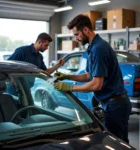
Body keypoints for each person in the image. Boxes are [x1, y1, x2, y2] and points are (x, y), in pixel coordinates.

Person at [54, 14, 132, 143]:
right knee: (120, 142)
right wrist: (67, 76)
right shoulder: (92, 48)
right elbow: (88, 76)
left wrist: (70, 88)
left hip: (115, 105)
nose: (76, 38)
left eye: (77, 34)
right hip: (113, 103)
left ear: (86, 30)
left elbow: (96, 84)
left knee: (116, 143)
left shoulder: (99, 49)